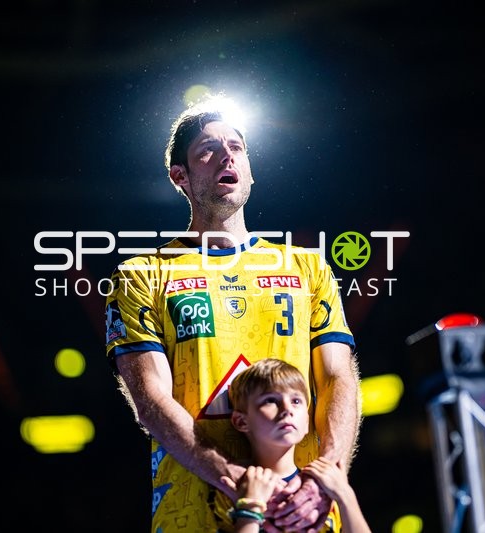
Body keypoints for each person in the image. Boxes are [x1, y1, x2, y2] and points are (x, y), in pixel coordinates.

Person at [105, 93, 362, 532]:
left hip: (305, 510)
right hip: (192, 513)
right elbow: (150, 400)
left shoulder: (307, 266)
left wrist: (324, 481)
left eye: (237, 147)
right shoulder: (141, 275)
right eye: (207, 150)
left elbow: (338, 378)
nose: (227, 155)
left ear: (249, 170)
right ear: (179, 177)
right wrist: (234, 479)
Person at [220, 358, 372, 533]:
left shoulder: (324, 485)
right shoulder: (234, 486)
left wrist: (345, 496)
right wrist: (250, 508)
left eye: (296, 401)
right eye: (270, 400)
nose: (287, 409)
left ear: (307, 421)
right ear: (241, 421)